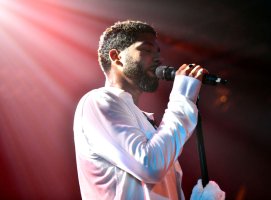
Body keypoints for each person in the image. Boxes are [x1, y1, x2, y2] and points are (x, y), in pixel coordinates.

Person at [73, 20, 225, 200]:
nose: (158, 59)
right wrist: (183, 98)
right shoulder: (98, 101)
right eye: (146, 50)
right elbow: (149, 166)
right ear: (116, 57)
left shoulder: (151, 128)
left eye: (157, 53)